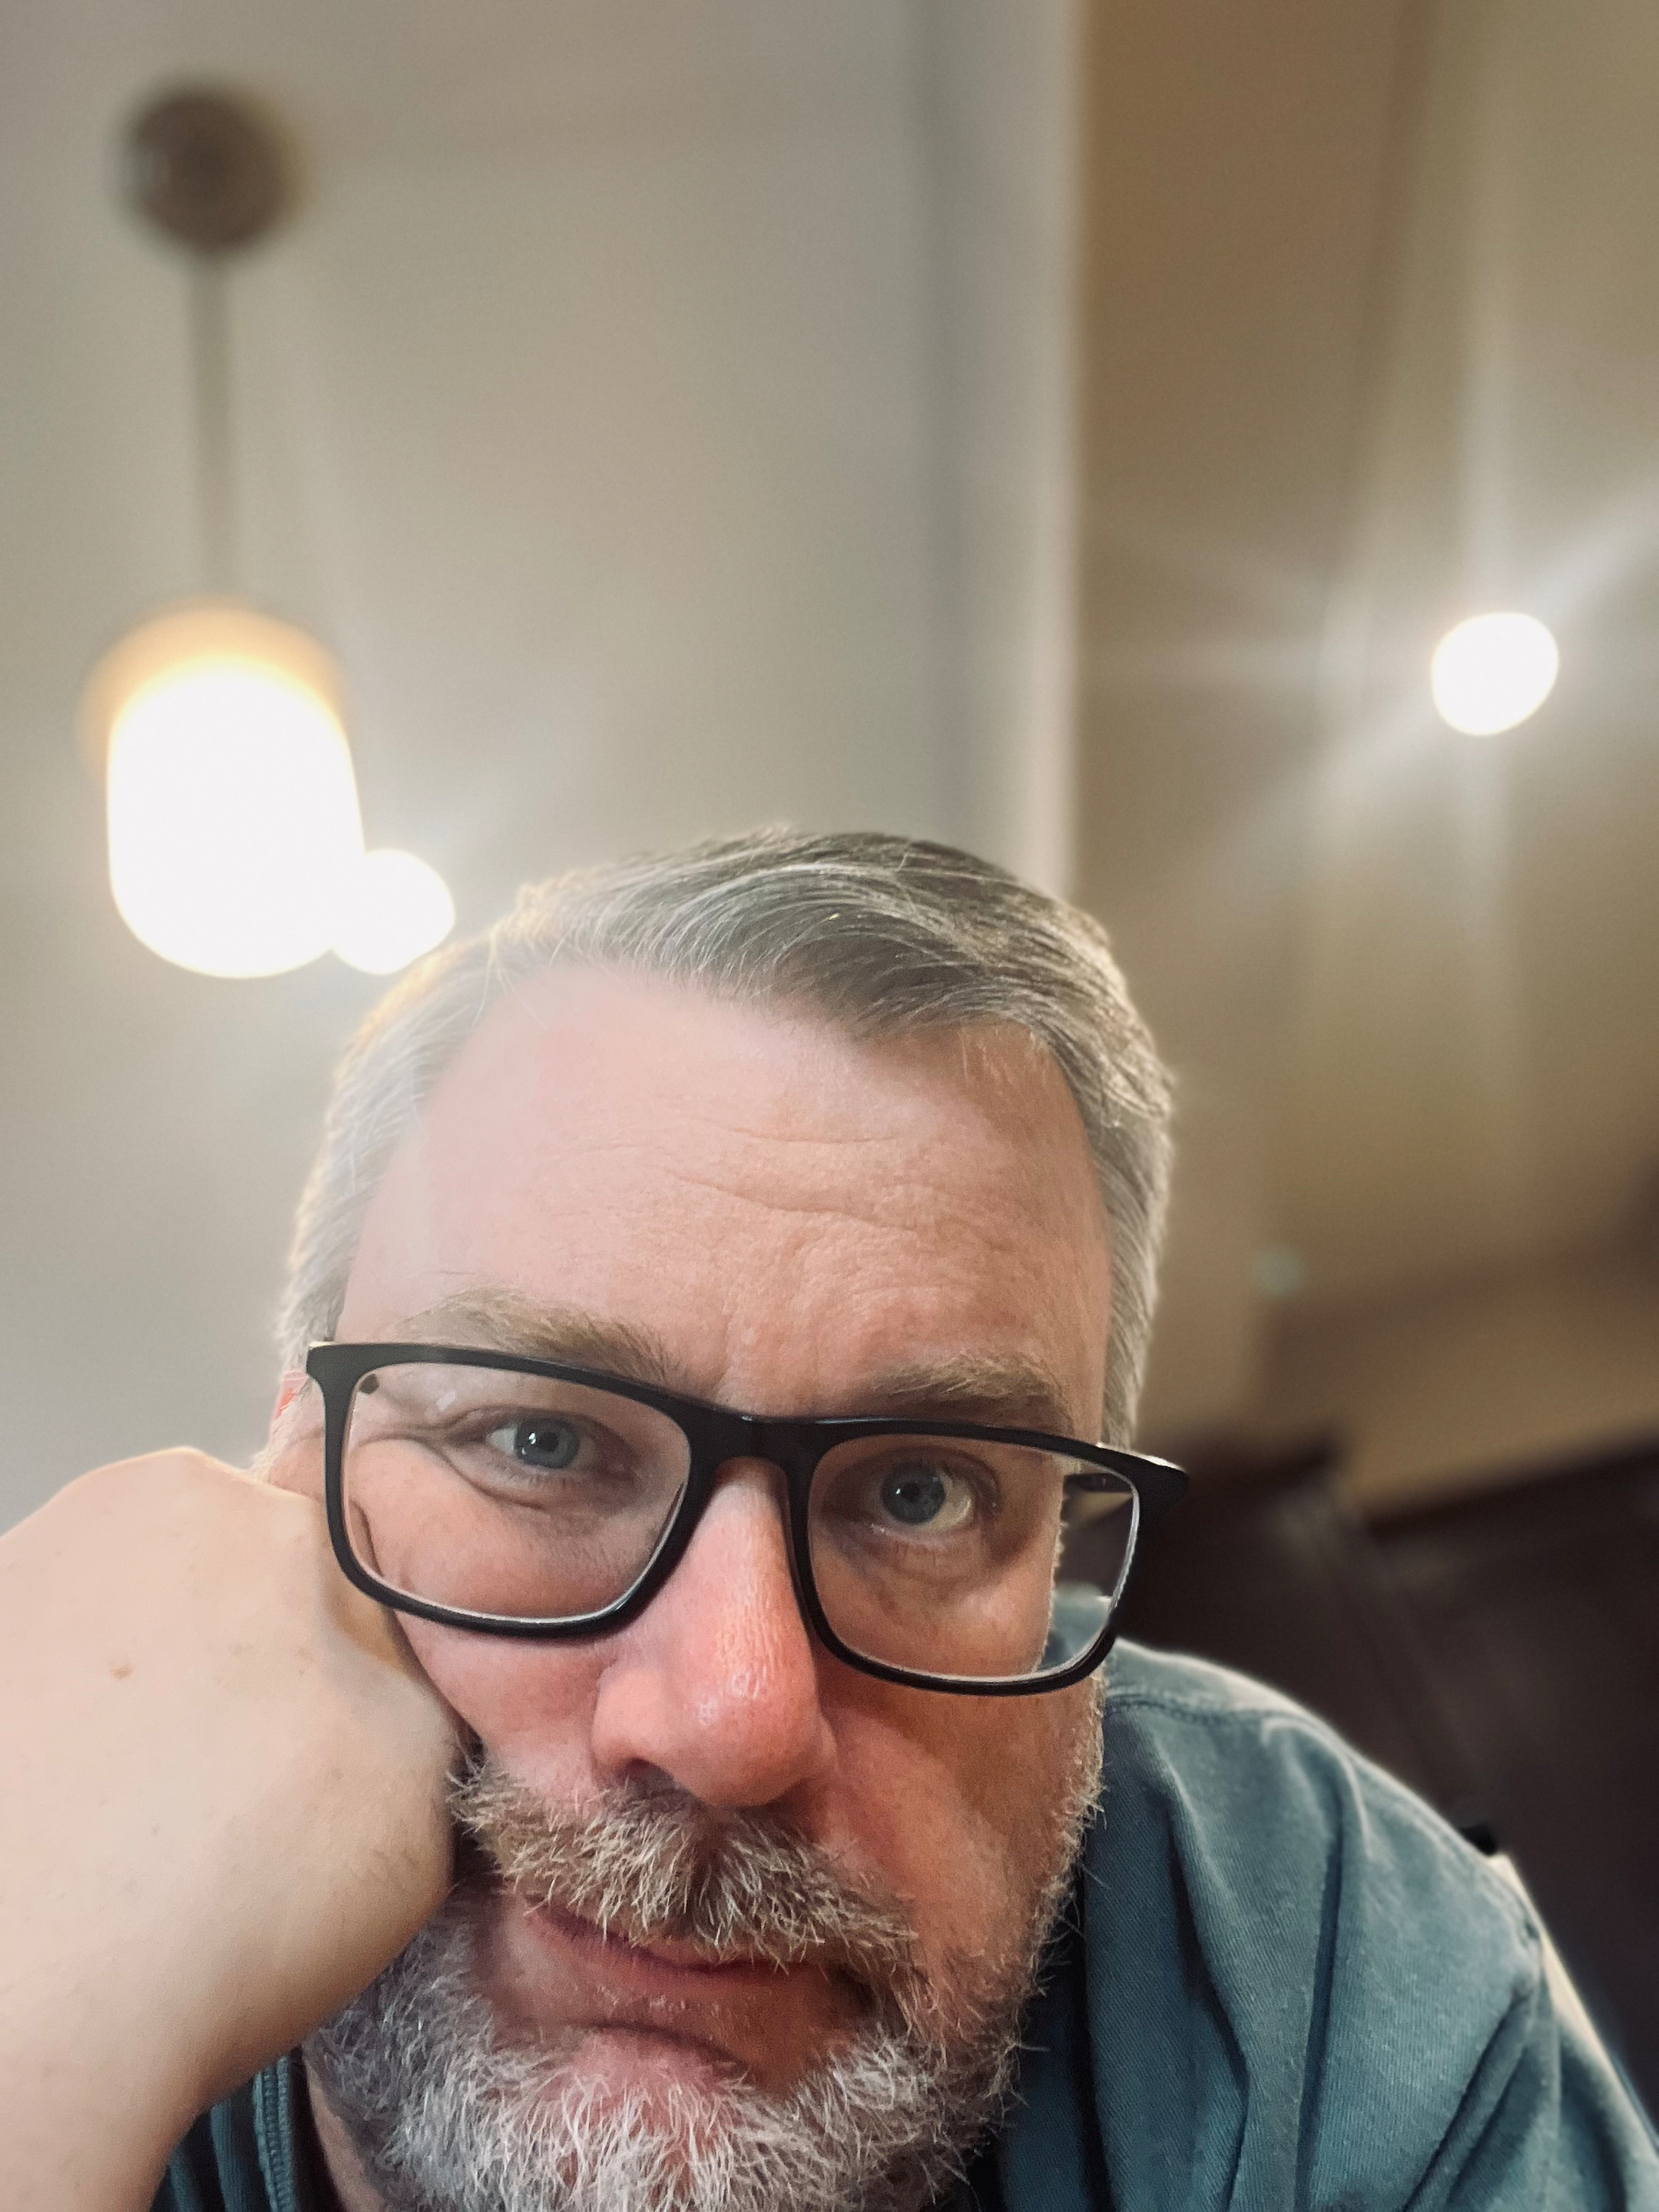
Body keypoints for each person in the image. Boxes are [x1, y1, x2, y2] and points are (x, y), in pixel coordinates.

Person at [0, 830, 1652, 2212]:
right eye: (541, 1442)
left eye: (922, 1495)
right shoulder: (52, 1862)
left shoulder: (1317, 1946)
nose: (732, 1720)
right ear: (296, 1471)